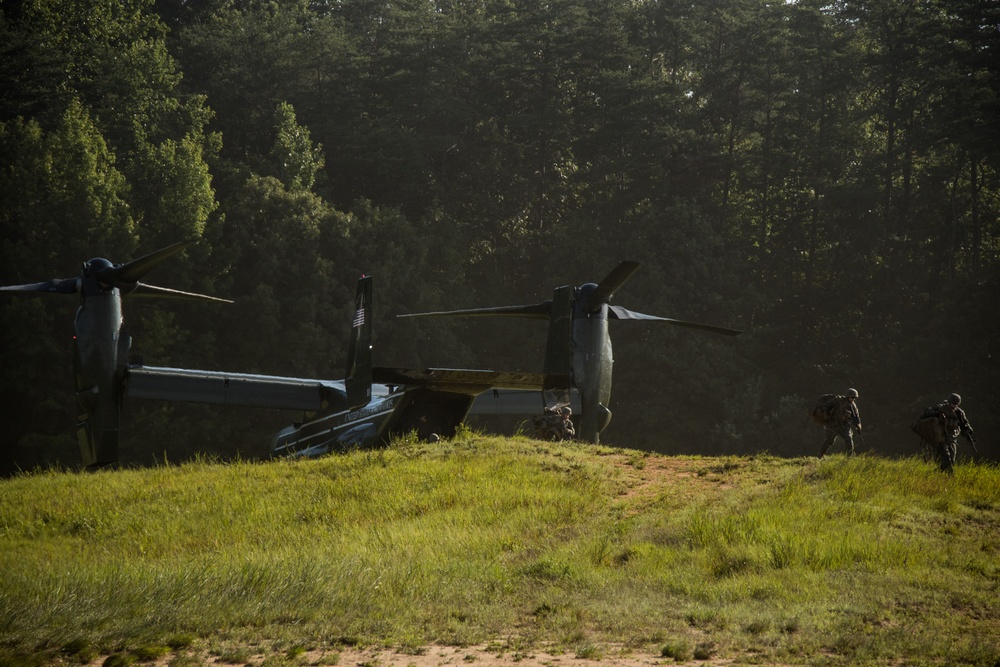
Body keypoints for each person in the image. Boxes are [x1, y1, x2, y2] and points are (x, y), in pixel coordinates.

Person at [913, 393, 975, 473]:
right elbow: (926, 413)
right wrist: (936, 414)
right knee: (946, 459)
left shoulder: (959, 413)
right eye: (952, 403)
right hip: (940, 439)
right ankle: (950, 477)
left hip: (952, 439)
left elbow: (964, 425)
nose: (953, 406)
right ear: (948, 402)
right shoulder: (941, 408)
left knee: (951, 461)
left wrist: (968, 431)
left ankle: (932, 474)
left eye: (956, 404)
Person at [819, 388, 862, 458]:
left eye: (855, 398)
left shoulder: (853, 406)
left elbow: (856, 417)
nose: (853, 399)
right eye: (852, 397)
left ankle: (849, 457)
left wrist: (858, 425)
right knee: (830, 441)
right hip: (834, 424)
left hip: (844, 425)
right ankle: (821, 454)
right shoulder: (838, 400)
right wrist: (826, 415)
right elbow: (826, 406)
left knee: (849, 440)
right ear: (848, 396)